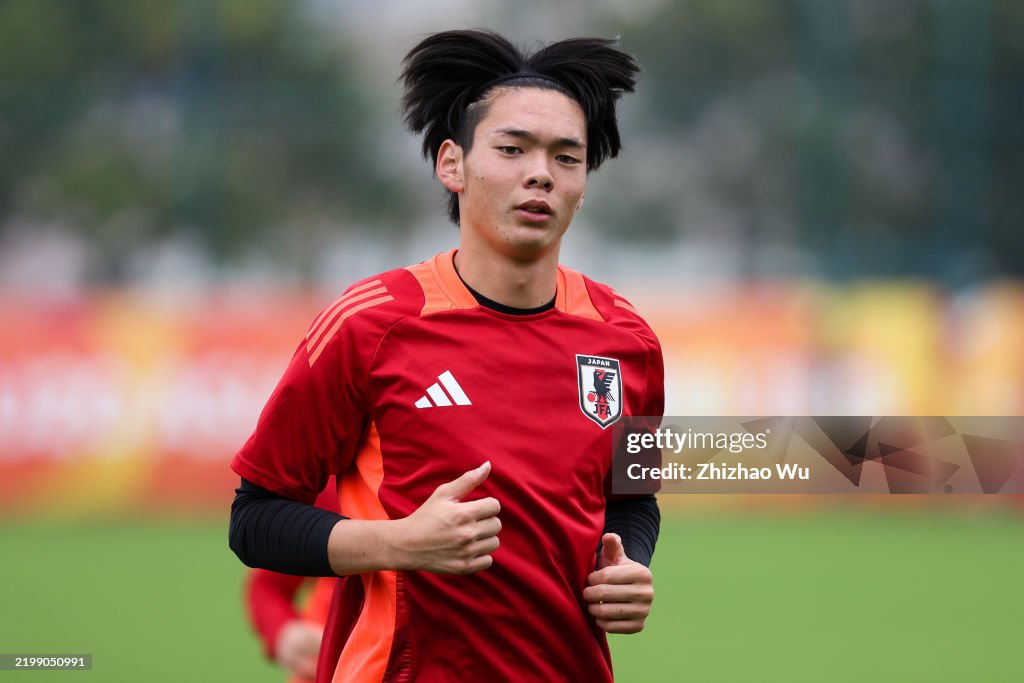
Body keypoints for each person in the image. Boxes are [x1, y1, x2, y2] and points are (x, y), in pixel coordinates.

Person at [229, 29, 664, 682]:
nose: (541, 172)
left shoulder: (628, 340)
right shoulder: (370, 325)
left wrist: (628, 566)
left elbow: (632, 498)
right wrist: (399, 543)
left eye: (566, 157)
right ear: (452, 164)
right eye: (512, 149)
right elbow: (255, 519)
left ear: (583, 183)